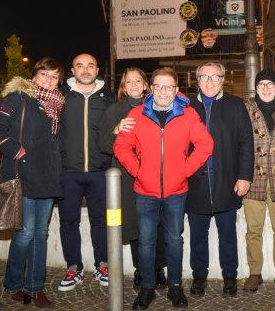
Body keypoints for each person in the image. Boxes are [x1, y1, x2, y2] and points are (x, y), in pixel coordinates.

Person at [114, 67, 213, 309]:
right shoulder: (136, 114)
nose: (163, 91)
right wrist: (137, 170)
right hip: (144, 191)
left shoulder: (188, 115)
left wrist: (184, 170)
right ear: (152, 89)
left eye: (168, 86)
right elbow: (121, 146)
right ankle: (147, 288)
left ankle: (175, 286)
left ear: (176, 90)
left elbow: (205, 145)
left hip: (176, 191)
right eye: (158, 86)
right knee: (146, 241)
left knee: (174, 240)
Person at [0, 57, 65, 308]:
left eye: (54, 77)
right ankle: (14, 283)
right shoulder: (19, 98)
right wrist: (17, 150)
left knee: (40, 234)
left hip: (48, 176)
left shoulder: (57, 104)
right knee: (26, 232)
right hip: (25, 174)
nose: (49, 81)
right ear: (34, 76)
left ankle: (34, 288)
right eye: (44, 75)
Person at [186, 62, 254, 297]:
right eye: (205, 76)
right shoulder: (186, 106)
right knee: (197, 236)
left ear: (223, 79)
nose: (210, 81)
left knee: (228, 235)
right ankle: (199, 276)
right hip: (194, 184)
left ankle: (230, 277)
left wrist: (245, 176)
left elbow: (247, 143)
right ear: (197, 79)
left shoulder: (235, 105)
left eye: (215, 76)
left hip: (226, 183)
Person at [98, 67, 167, 290]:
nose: (134, 85)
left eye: (139, 81)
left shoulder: (158, 106)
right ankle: (142, 270)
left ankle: (158, 268)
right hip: (128, 177)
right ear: (123, 86)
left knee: (158, 223)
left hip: (157, 174)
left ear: (147, 84)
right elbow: (103, 146)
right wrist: (116, 130)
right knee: (137, 226)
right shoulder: (114, 111)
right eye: (129, 82)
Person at [57, 53, 116, 291]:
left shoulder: (109, 97)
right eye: (80, 66)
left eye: (90, 65)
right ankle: (74, 267)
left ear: (97, 69)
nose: (85, 70)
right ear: (72, 70)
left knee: (101, 221)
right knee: (68, 221)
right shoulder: (59, 96)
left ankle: (102, 265)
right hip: (67, 171)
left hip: (99, 170)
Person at [242, 69, 275, 292]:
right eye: (261, 84)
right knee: (253, 229)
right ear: (256, 88)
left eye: (270, 84)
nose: (266, 87)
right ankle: (255, 273)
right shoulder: (245, 108)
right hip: (253, 178)